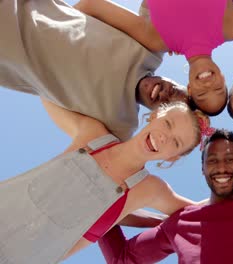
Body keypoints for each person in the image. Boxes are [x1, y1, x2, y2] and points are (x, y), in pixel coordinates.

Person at [0, 100, 208, 264]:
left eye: (176, 142)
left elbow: (205, 215)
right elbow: (45, 88)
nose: (165, 137)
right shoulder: (93, 135)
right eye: (167, 123)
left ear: (172, 157)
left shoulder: (149, 189)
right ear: (153, 116)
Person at [0, 0, 186, 141]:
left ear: (156, 117)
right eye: (176, 90)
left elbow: (75, 126)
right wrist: (66, 24)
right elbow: (92, 4)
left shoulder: (120, 126)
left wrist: (45, 81)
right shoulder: (150, 49)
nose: (166, 94)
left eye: (168, 105)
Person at [97, 129, 233, 264]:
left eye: (230, 159)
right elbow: (120, 259)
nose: (222, 167)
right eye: (212, 160)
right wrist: (94, 211)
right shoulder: (180, 223)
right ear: (203, 169)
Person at [74, 0, 233, 115]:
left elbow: (93, 6)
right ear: (222, 77)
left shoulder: (156, 40)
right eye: (218, 88)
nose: (208, 85)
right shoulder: (231, 28)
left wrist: (55, 23)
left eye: (202, 94)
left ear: (190, 88)